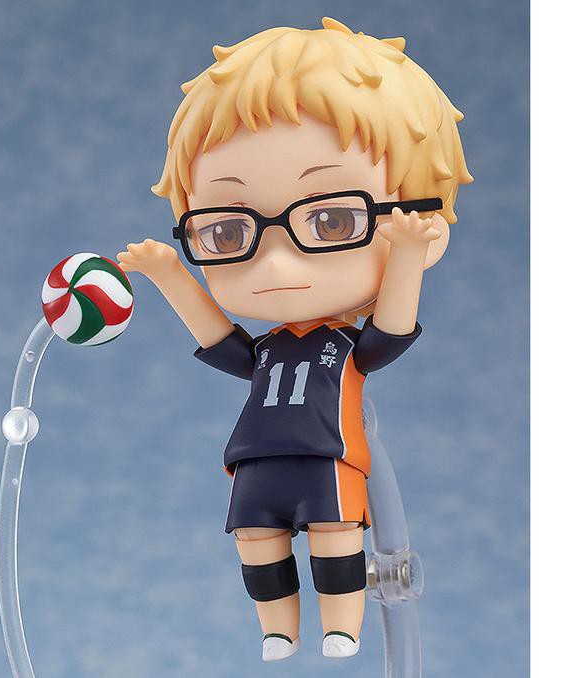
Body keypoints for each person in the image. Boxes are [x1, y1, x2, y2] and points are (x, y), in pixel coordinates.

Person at [117, 17, 471, 662]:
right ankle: (278, 629)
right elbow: (221, 342)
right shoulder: (267, 351)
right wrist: (170, 276)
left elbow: (391, 331)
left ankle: (342, 625)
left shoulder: (346, 349)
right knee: (256, 544)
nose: (276, 262)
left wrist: (406, 257)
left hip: (328, 457)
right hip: (254, 460)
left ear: (422, 221)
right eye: (227, 232)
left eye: (331, 220)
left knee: (337, 539)